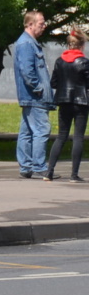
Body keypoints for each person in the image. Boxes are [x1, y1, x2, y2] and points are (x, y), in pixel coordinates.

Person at [44, 26, 89, 183]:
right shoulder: (84, 62)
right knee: (78, 137)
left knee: (61, 136)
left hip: (63, 101)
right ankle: (74, 175)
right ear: (82, 45)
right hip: (81, 102)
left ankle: (49, 172)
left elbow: (54, 82)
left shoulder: (59, 62)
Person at [14, 10, 54, 179]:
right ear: (30, 24)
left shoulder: (29, 43)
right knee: (42, 130)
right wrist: (39, 88)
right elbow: (27, 71)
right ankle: (39, 166)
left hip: (31, 96)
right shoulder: (26, 44)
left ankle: (26, 167)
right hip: (34, 96)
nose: (44, 26)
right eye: (41, 24)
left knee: (27, 131)